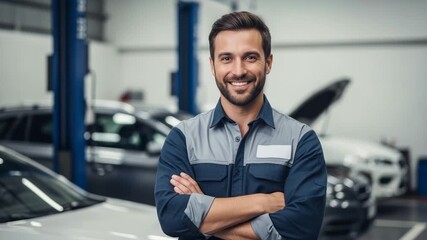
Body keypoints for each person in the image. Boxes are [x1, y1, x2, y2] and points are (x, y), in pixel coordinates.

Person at [155, 11, 327, 240]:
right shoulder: (183, 138)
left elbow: (301, 230)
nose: (238, 71)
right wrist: (262, 202)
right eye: (226, 58)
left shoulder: (301, 140)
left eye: (250, 57)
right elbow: (171, 217)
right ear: (212, 65)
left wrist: (204, 217)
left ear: (268, 63)